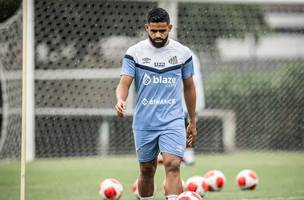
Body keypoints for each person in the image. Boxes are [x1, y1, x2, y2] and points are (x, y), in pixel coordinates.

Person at [115, 8, 197, 200]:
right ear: (146, 28)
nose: (158, 35)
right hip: (145, 122)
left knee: (173, 164)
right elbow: (124, 83)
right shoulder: (134, 53)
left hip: (173, 120)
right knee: (147, 169)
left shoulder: (183, 53)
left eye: (162, 30)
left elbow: (190, 88)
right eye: (154, 31)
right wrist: (120, 99)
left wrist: (192, 121)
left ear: (170, 27)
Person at [182, 52, 205, 166]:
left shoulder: (187, 54)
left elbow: (191, 81)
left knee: (188, 124)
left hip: (189, 98)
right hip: (179, 99)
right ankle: (183, 154)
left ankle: (188, 154)